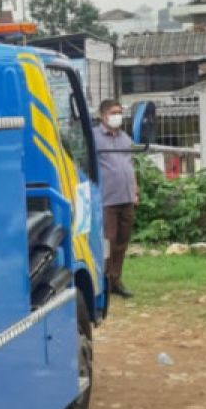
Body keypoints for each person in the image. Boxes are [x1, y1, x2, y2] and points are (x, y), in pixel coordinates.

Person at [92, 98, 139, 298]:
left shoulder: (125, 138)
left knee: (122, 241)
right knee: (108, 241)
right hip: (106, 199)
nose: (117, 116)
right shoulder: (93, 137)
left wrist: (135, 191)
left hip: (126, 197)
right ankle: (103, 280)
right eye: (113, 112)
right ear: (103, 116)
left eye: (119, 112)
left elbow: (130, 166)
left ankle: (115, 279)